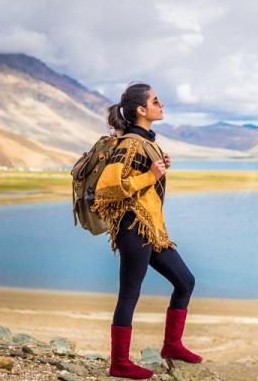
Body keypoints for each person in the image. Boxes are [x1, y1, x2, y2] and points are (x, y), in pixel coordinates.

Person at [91, 83, 202, 379]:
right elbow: (108, 189)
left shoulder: (146, 143)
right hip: (132, 228)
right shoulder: (128, 144)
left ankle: (172, 345)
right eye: (155, 100)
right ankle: (119, 363)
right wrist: (149, 176)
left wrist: (158, 169)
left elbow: (141, 180)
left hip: (151, 230)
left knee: (185, 281)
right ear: (141, 110)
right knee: (129, 294)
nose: (161, 104)